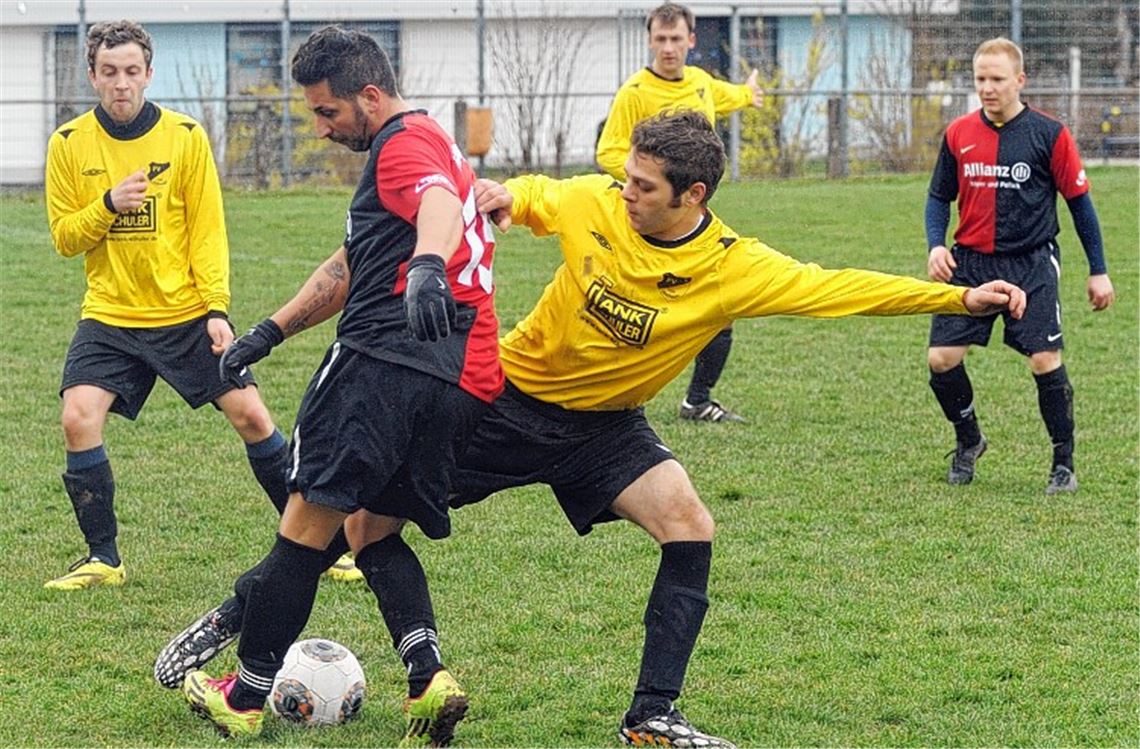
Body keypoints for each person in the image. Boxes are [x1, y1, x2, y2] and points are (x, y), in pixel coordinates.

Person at [159, 110, 1025, 748]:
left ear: (692, 195)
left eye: (643, 188)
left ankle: (651, 716)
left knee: (690, 522)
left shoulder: (734, 268)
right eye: (625, 179)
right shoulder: (595, 204)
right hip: (505, 404)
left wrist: (957, 297)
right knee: (357, 526)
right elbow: (533, 197)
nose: (625, 194)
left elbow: (842, 287)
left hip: (607, 428)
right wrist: (494, 197)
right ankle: (244, 619)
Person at [175, 25, 502, 743]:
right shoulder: (434, 141)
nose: (321, 128)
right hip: (454, 382)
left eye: (327, 112)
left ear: (371, 96)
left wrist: (424, 266)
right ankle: (428, 676)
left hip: (379, 366)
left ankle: (247, 692)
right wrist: (271, 330)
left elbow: (440, 211)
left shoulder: (402, 146)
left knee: (304, 530)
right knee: (369, 530)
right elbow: (356, 258)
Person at [39, 20, 361, 590]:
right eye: (109, 72)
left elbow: (207, 232)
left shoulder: (184, 136)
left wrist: (216, 308)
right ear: (92, 75)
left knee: (254, 417)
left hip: (187, 314)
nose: (121, 84)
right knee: (77, 417)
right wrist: (109, 204)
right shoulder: (68, 145)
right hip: (110, 317)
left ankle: (328, 547)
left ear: (148, 74)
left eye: (132, 72)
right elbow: (66, 238)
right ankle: (103, 558)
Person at [924, 37, 1114, 493]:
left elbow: (1080, 206)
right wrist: (936, 245)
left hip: (1031, 261)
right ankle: (969, 440)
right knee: (941, 359)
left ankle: (1063, 464)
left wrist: (1099, 269)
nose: (987, 89)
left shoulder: (1050, 134)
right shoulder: (958, 134)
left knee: (1045, 360)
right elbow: (937, 197)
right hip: (970, 260)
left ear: (1019, 81)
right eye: (980, 80)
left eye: (997, 80)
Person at [596, 2, 765, 424]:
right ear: (650, 40)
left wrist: (748, 93)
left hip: (692, 223)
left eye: (676, 39)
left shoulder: (701, 83)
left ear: (691, 40)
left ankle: (697, 400)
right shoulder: (635, 93)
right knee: (628, 312)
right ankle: (606, 398)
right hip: (645, 224)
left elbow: (724, 97)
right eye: (660, 39)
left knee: (721, 308)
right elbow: (608, 150)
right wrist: (654, 181)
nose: (668, 47)